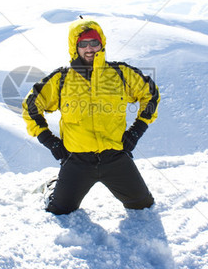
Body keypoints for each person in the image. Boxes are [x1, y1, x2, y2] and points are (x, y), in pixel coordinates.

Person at [22, 18, 160, 214]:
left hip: (116, 158)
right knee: (58, 210)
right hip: (77, 161)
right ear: (74, 47)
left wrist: (137, 131)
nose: (89, 48)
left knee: (143, 206)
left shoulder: (120, 73)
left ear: (101, 44)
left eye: (94, 42)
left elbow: (151, 94)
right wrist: (49, 140)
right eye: (83, 44)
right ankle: (54, 185)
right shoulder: (61, 79)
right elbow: (31, 106)